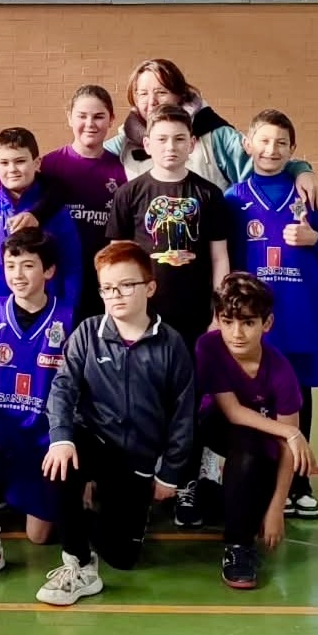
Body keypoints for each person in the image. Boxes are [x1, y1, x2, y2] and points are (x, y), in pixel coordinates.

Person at [37, 241, 194, 606]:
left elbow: (184, 414)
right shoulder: (88, 334)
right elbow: (62, 388)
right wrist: (61, 438)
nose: (115, 295)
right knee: (59, 466)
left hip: (138, 460)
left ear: (149, 287)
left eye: (126, 285)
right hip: (95, 441)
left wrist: (169, 473)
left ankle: (96, 516)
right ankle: (77, 560)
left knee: (123, 558)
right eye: (107, 288)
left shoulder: (171, 344)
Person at [106, 103, 230, 528]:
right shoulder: (129, 194)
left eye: (180, 139)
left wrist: (219, 313)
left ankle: (188, 482)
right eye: (162, 139)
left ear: (192, 143)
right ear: (146, 143)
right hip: (146, 322)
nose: (171, 147)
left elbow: (219, 257)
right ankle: (142, 479)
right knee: (145, 400)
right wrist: (121, 310)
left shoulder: (208, 195)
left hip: (195, 318)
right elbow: (115, 261)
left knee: (191, 403)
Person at [224, 109, 318, 519]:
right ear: (248, 145)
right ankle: (264, 478)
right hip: (255, 321)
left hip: (301, 315)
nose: (272, 150)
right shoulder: (234, 199)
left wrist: (313, 237)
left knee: (299, 397)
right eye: (264, 141)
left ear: (293, 151)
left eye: (281, 143)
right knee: (256, 397)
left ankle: (300, 482)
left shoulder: (305, 193)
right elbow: (229, 261)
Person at [0, 228, 74, 586]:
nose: (18, 274)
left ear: (48, 271)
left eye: (28, 266)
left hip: (45, 431)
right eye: (10, 265)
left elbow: (80, 386)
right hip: (0, 419)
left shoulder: (68, 316)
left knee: (39, 536)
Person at [195, 273, 317, 589]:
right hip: (215, 425)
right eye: (228, 321)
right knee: (225, 431)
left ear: (267, 323)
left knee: (252, 456)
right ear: (218, 320)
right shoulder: (208, 346)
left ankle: (234, 528)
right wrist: (292, 433)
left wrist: (277, 506)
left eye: (248, 322)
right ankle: (237, 544)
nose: (236, 333)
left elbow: (287, 450)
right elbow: (232, 412)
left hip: (255, 441)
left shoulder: (281, 371)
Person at [104, 58, 318, 205]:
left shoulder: (217, 135)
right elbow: (86, 160)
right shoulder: (123, 144)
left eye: (161, 92)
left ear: (180, 95)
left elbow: (266, 159)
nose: (152, 102)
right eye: (142, 94)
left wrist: (302, 170)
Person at [0, 128, 82, 350]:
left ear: (36, 163)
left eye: (20, 161)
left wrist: (68, 315)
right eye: (4, 163)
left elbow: (72, 267)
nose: (12, 169)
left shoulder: (55, 212)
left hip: (46, 317)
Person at [24, 85, 129, 322]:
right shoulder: (49, 165)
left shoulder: (122, 170)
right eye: (82, 116)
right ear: (69, 117)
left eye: (99, 116)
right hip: (55, 278)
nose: (90, 124)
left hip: (102, 278)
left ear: (111, 119)